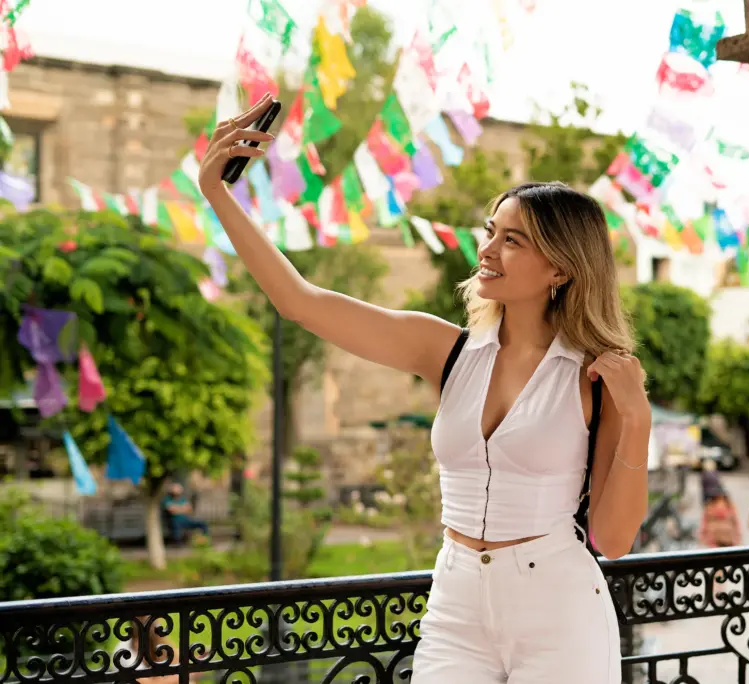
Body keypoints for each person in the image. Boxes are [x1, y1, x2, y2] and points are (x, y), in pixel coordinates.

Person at [198, 95, 652, 684]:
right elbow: (300, 303)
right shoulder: (445, 350)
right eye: (491, 232)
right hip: (458, 600)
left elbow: (613, 539)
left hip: (560, 611)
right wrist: (218, 195)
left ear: (562, 268)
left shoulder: (598, 375)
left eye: (513, 240)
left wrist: (637, 419)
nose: (487, 250)